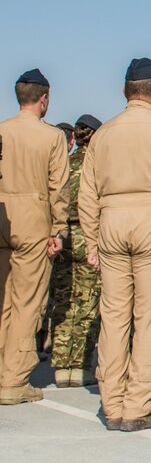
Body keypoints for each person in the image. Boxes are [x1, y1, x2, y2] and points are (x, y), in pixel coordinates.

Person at [79, 58, 151, 431]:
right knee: (150, 319)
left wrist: (91, 241)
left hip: (111, 225)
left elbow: (87, 193)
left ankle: (111, 404)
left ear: (124, 91)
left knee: (113, 319)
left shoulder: (103, 134)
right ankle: (137, 406)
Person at [0, 69, 69, 406]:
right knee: (28, 303)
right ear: (44, 98)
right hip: (33, 219)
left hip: (3, 215)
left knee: (3, 299)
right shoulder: (52, 137)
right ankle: (13, 381)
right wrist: (58, 229)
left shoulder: (2, 130)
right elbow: (58, 188)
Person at [51, 113, 102, 388]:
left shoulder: (64, 165)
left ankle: (61, 366)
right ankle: (80, 365)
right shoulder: (98, 166)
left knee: (64, 300)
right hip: (90, 233)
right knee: (89, 302)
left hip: (64, 234)